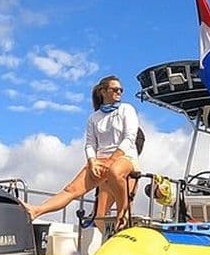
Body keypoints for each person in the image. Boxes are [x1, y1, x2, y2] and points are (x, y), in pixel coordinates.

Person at [25, 75, 139, 230]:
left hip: (125, 157)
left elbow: (130, 137)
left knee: (114, 171)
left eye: (121, 90)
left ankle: (122, 211)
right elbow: (90, 144)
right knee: (72, 191)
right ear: (103, 92)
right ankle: (36, 211)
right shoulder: (94, 118)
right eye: (115, 89)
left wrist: (112, 159)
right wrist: (92, 162)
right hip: (100, 161)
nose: (119, 92)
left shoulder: (127, 109)